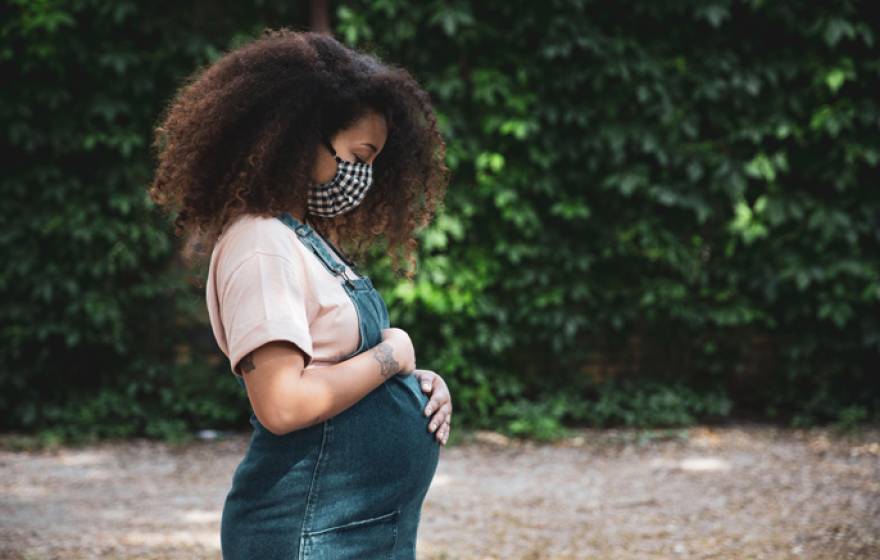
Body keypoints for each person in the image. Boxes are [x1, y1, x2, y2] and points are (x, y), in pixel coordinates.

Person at [148, 28, 453, 559]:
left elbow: (337, 366)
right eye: (361, 155)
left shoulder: (302, 240)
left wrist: (413, 382)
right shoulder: (261, 244)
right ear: (299, 137)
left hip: (352, 527)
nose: (367, 175)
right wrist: (391, 355)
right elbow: (283, 404)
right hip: (311, 533)